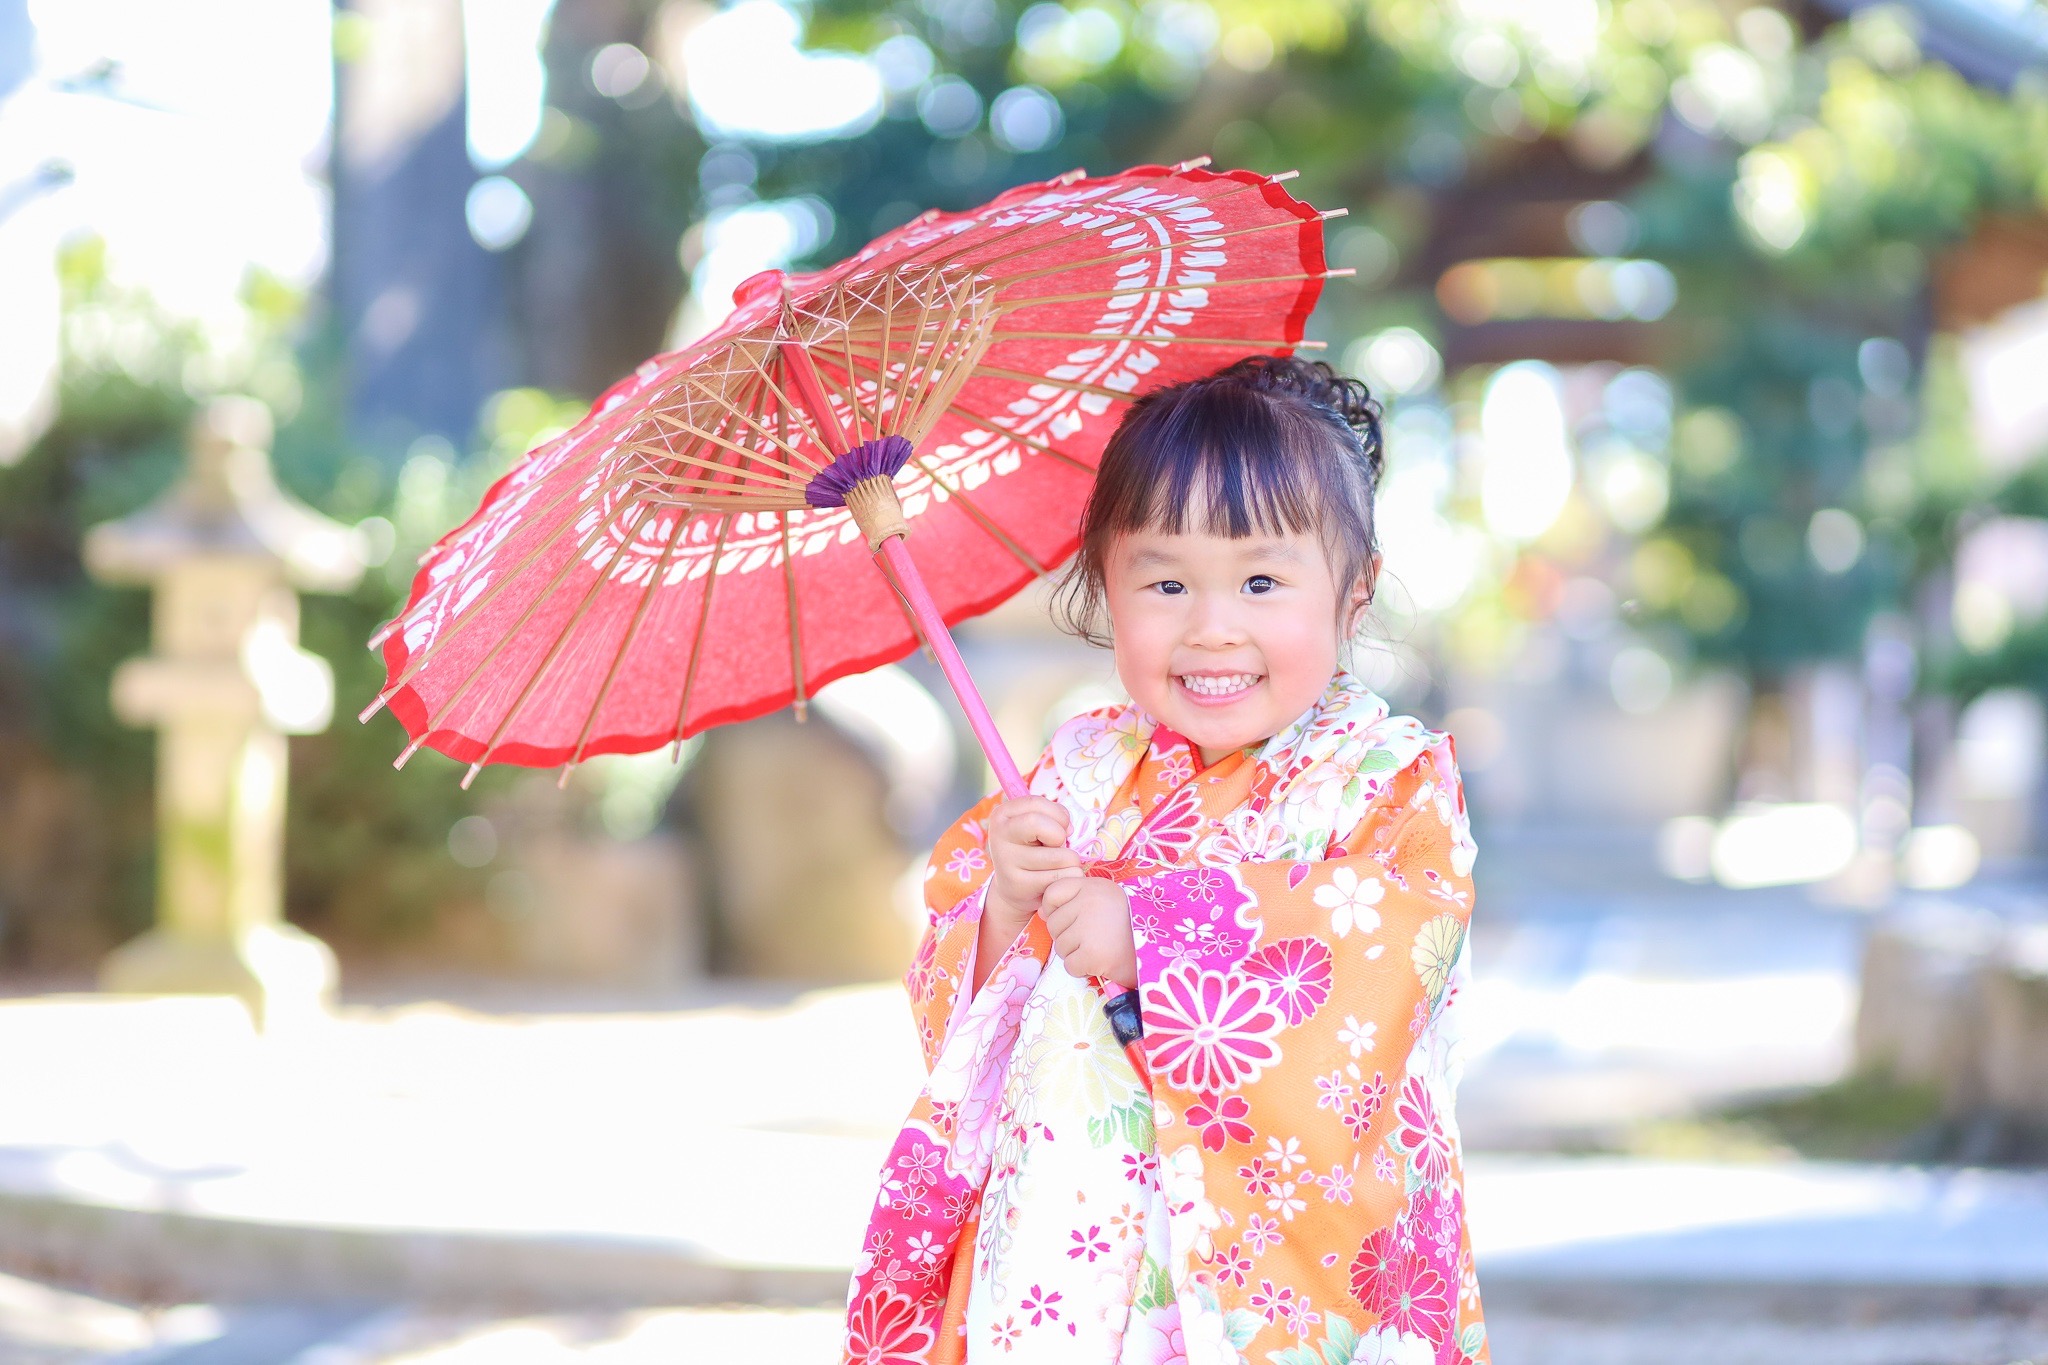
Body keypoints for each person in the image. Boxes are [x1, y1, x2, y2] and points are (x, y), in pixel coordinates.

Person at [844, 355, 1484, 1365]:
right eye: (1165, 580)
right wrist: (1009, 903)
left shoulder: (1381, 777)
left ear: (1352, 594)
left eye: (1262, 580)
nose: (1210, 626)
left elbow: (1393, 953)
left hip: (1275, 1266)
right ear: (1106, 587)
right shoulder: (1077, 767)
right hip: (1070, 1227)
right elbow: (960, 1007)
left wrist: (1153, 936)